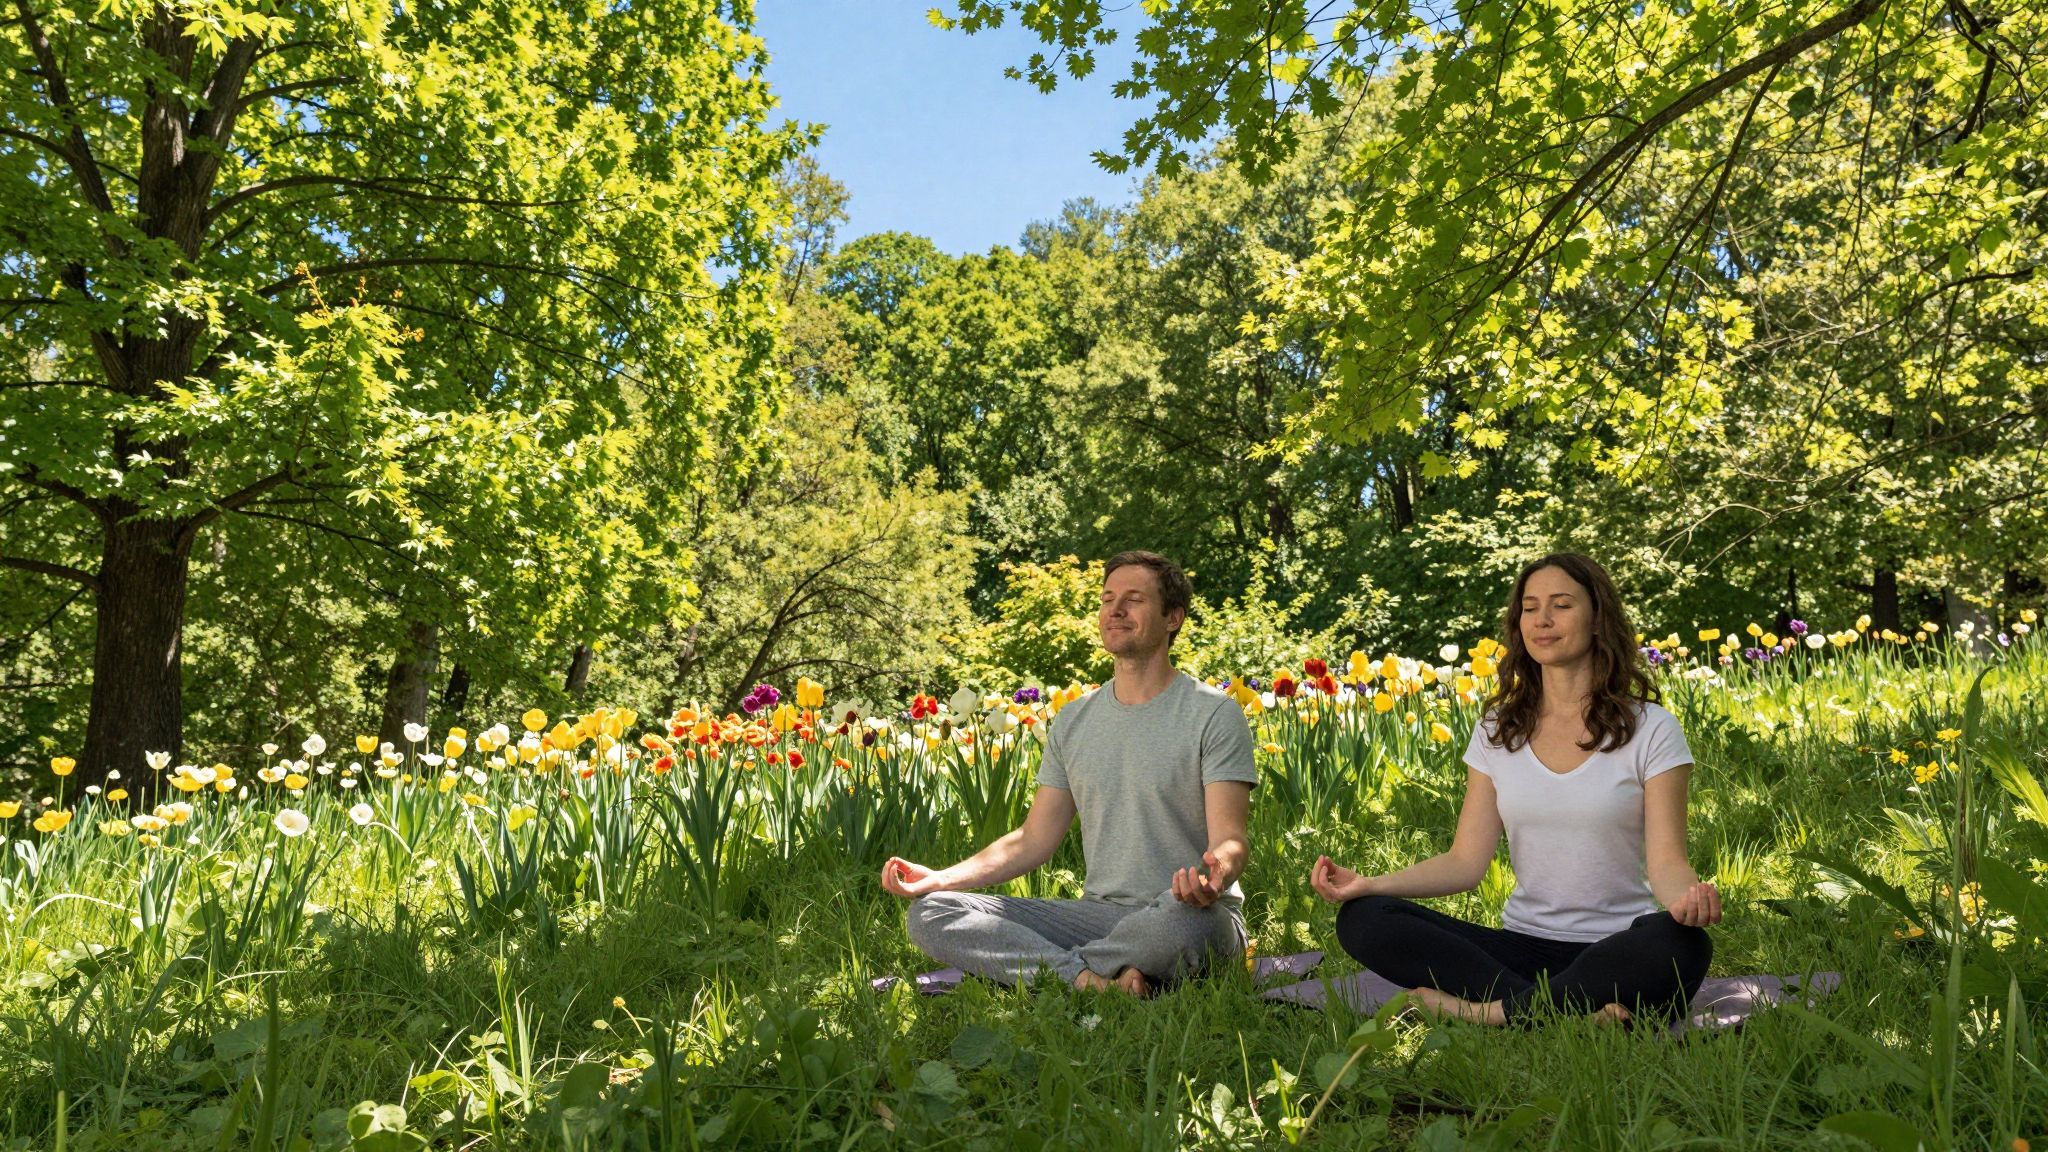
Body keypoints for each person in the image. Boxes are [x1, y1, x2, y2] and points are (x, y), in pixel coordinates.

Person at [1311, 553, 1718, 1025]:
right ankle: (1566, 1015)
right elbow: (1465, 862)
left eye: (1561, 605)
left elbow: (1668, 863)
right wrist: (1369, 885)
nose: (1542, 620)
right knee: (1364, 919)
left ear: (1598, 618)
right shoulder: (1497, 729)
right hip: (1516, 951)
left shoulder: (1652, 730)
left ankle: (1486, 1014)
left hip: (1616, 949)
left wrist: (1687, 900)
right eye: (1530, 607)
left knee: (1680, 944)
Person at [881, 551, 1258, 997]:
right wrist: (942, 878)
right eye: (1107, 598)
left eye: (1133, 600)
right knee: (933, 912)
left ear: (1172, 617)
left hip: (1187, 913)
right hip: (1096, 917)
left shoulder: (1213, 714)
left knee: (1183, 928)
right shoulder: (1074, 720)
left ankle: (1058, 970)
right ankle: (1092, 980)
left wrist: (1213, 876)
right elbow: (1032, 840)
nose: (1114, 610)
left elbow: (1230, 839)